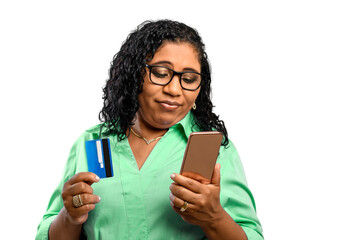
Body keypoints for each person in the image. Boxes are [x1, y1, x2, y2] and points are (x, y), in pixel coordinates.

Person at [36, 19, 263, 240]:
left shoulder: (213, 149)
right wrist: (70, 216)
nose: (174, 89)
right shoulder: (93, 142)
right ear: (133, 76)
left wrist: (213, 218)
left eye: (190, 78)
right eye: (161, 74)